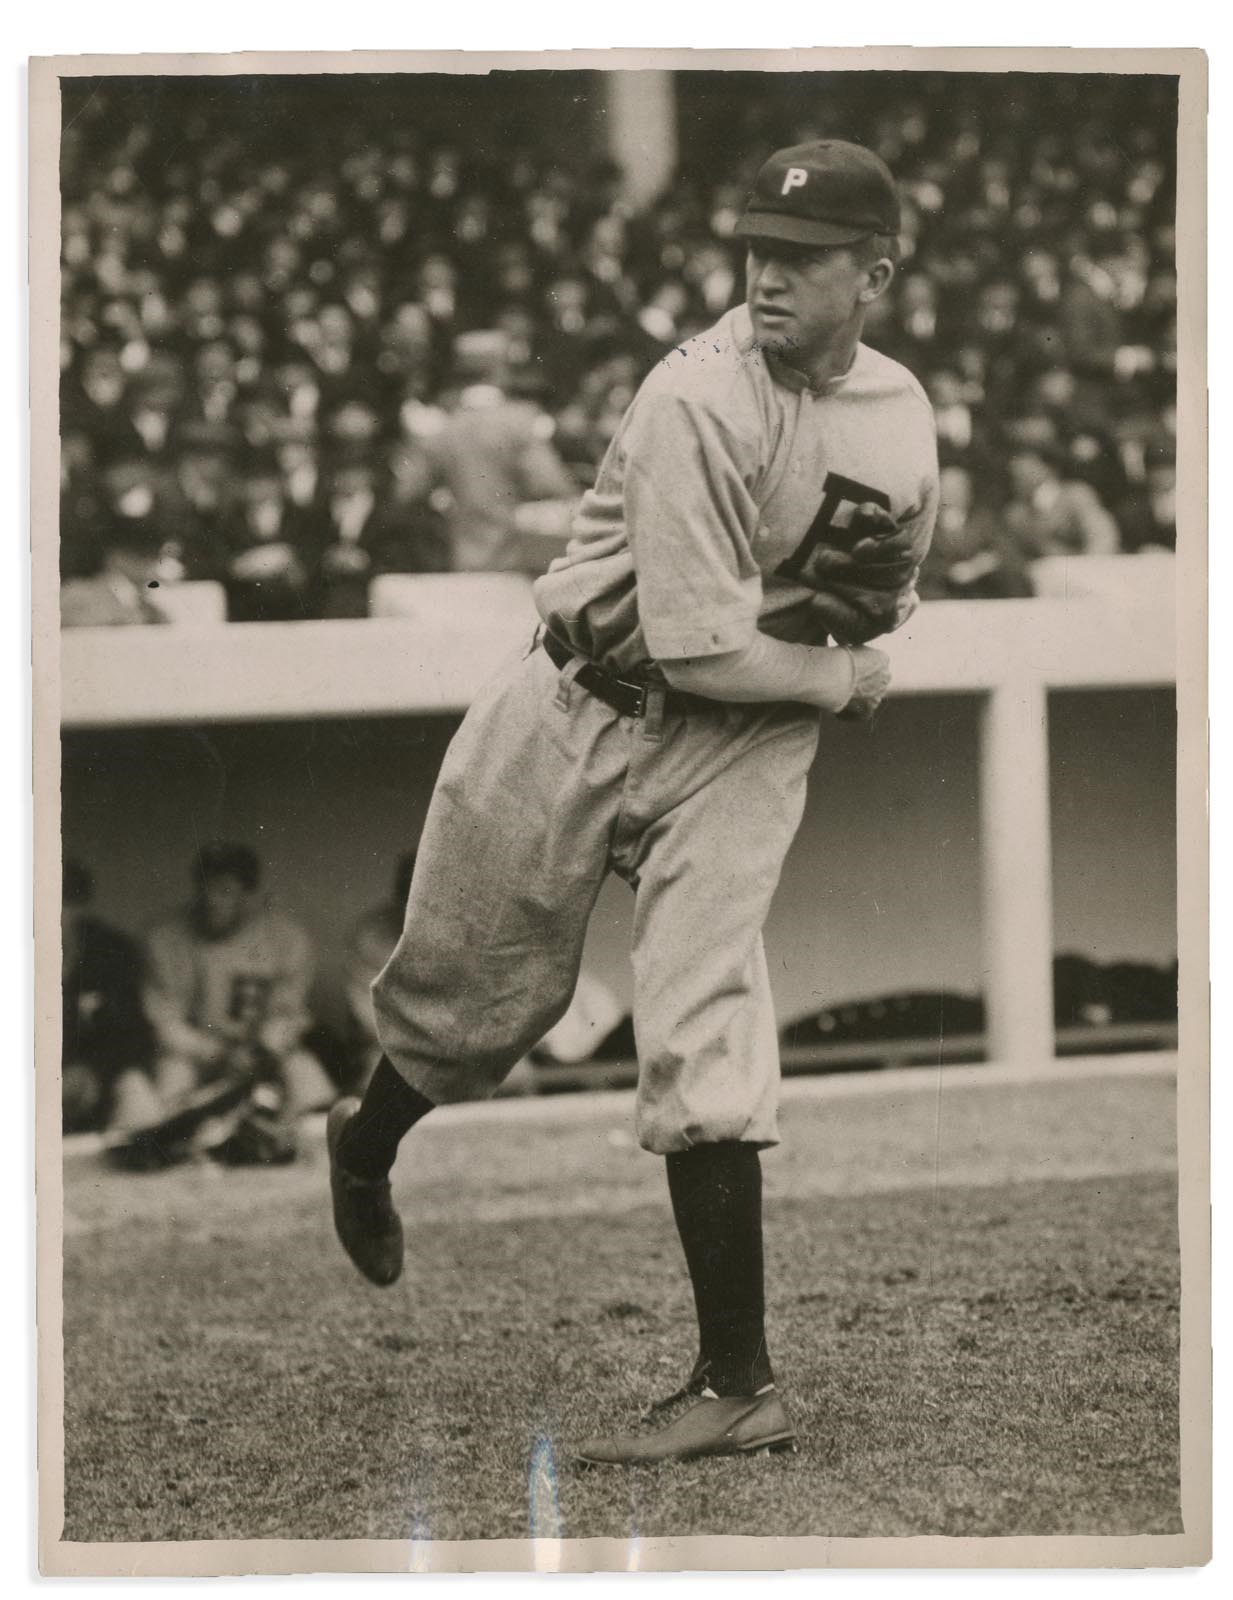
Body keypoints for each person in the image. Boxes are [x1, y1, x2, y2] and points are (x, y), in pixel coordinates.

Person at [327, 139, 938, 1465]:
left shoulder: (903, 420)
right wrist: (839, 671)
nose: (766, 280)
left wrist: (851, 628)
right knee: (469, 1000)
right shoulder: (695, 398)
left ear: (874, 272)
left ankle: (738, 1380)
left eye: (802, 260)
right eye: (756, 254)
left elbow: (880, 591)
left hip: (741, 743)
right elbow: (699, 641)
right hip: (580, 699)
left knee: (699, 1014)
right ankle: (365, 1143)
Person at [137, 842, 335, 1162]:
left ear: (250, 895)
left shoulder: (286, 939)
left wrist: (261, 1051)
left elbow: (288, 1014)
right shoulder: (165, 940)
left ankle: (309, 1167)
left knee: (306, 1076)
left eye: (225, 890)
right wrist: (218, 1053)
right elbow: (165, 1022)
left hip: (262, 1054)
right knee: (171, 1083)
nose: (212, 901)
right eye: (205, 889)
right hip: (196, 1055)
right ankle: (174, 1164)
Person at [61, 858, 157, 1134]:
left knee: (136, 1094)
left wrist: (93, 1070)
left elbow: (136, 1036)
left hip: (94, 1084)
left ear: (78, 907)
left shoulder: (111, 953)